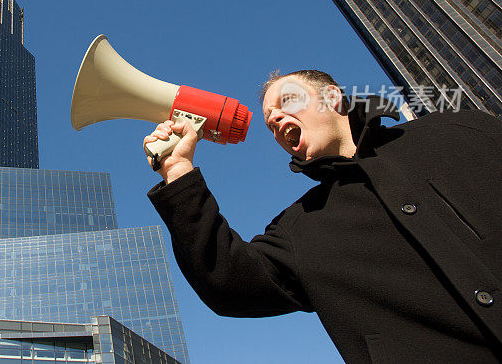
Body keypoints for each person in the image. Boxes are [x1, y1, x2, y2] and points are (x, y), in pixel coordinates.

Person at [144, 70, 502, 363]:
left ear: (333, 98)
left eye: (288, 102)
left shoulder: (458, 133)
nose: (277, 120)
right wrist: (178, 171)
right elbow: (228, 282)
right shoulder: (300, 228)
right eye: (271, 124)